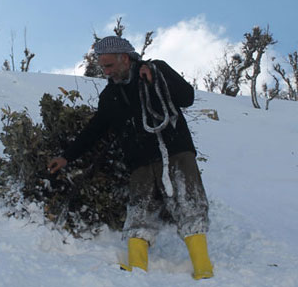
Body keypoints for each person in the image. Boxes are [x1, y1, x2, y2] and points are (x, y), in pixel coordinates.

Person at [47, 36, 213, 280]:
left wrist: (157, 77)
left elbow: (187, 97)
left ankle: (203, 269)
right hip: (139, 163)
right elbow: (94, 130)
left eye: (109, 66)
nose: (105, 72)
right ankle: (136, 267)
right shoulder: (110, 95)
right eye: (103, 67)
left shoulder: (157, 70)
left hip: (176, 151)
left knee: (190, 203)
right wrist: (66, 157)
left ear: (124, 58)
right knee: (139, 211)